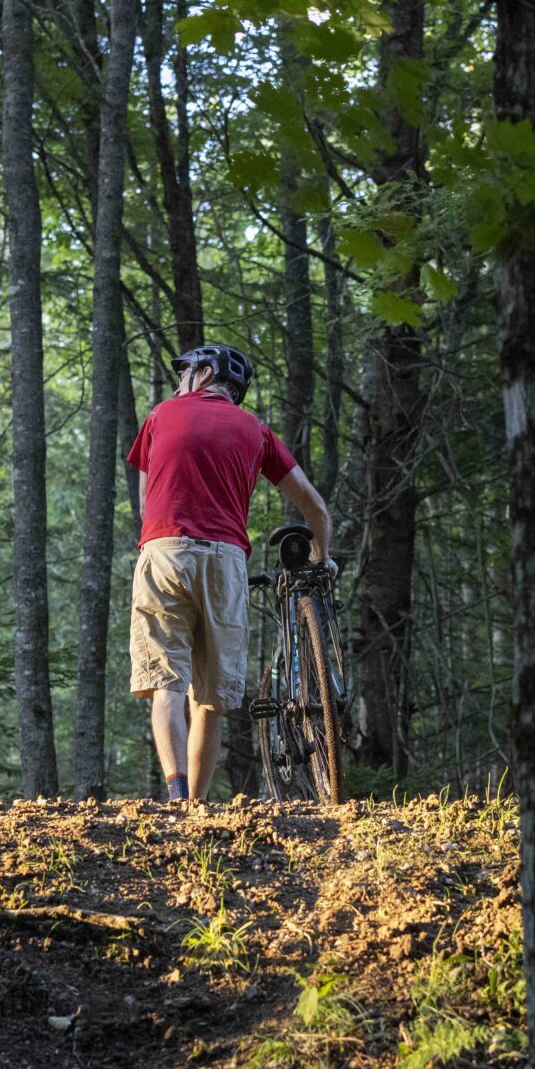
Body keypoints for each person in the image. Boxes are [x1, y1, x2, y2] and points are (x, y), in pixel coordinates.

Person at [126, 342, 333, 801]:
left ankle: (177, 800)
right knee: (211, 700)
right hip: (224, 560)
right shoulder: (256, 430)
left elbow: (144, 506)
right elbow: (314, 507)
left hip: (164, 551)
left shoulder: (160, 416)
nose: (179, 381)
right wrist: (321, 556)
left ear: (203, 374)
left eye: (184, 373)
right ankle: (198, 809)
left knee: (166, 685)